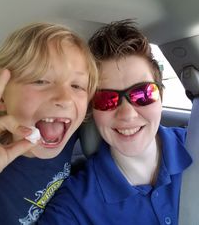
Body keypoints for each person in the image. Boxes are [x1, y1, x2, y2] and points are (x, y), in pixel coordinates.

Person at [37, 20, 192, 225]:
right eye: (106, 99)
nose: (127, 114)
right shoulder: (75, 206)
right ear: (92, 109)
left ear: (161, 95)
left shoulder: (194, 145)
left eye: (142, 93)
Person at [0, 22, 98, 225]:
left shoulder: (71, 132)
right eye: (41, 81)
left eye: (77, 85)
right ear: (2, 97)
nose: (65, 98)